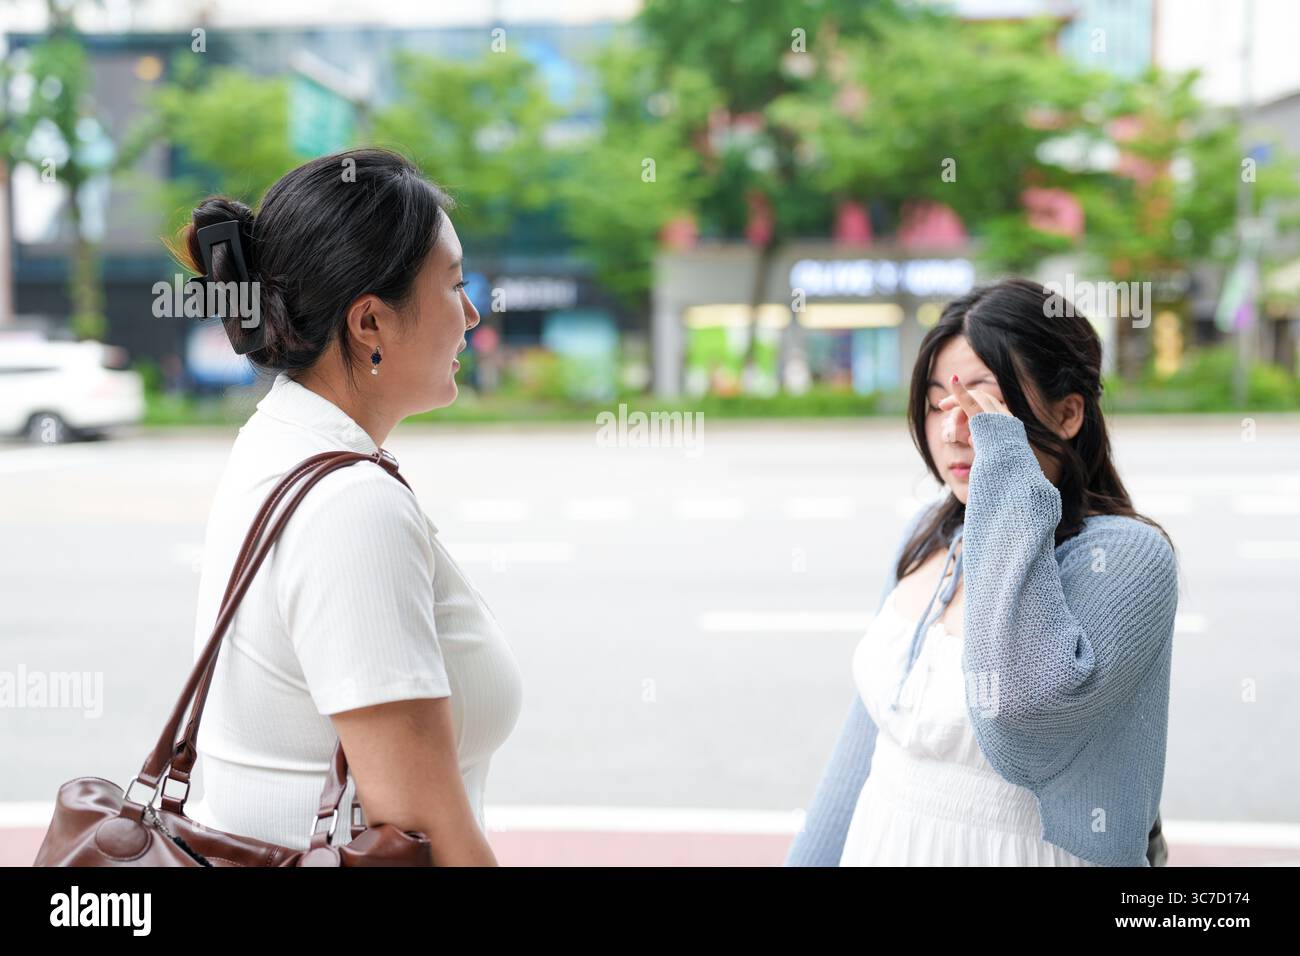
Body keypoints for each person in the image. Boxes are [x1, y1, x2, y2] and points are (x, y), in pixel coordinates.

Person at [170, 147, 522, 866]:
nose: (473, 312)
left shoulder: (279, 438)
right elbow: (422, 833)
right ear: (369, 325)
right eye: (453, 286)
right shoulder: (350, 508)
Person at [785, 277, 1179, 867]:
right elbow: (866, 747)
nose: (951, 431)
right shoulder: (930, 535)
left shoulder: (1126, 556)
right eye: (935, 406)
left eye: (980, 407)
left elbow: (1017, 723)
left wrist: (1007, 480)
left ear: (1068, 413)